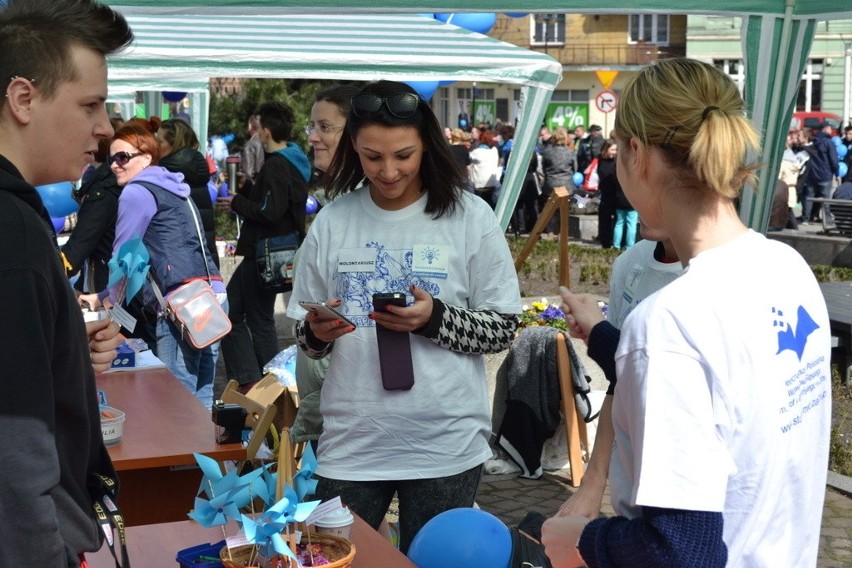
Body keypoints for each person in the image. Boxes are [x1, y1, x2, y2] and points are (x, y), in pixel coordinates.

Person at [541, 58, 832, 567]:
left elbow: (679, 551)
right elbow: (728, 386)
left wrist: (579, 541)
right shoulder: (787, 267)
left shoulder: (670, 321)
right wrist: (607, 337)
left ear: (638, 155)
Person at [286, 80, 521, 554]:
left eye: (404, 156)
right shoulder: (334, 221)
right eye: (373, 157)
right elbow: (304, 331)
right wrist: (317, 332)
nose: (388, 171)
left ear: (427, 149)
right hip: (352, 443)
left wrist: (433, 318)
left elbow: (502, 328)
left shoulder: (469, 217)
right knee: (333, 561)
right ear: (354, 148)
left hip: (445, 442)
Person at [0, 1, 131, 565]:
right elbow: (15, 443)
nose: (104, 128)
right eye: (90, 105)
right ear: (24, 98)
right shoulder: (14, 234)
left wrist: (61, 349)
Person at [81, 122, 226, 409]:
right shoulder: (175, 186)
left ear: (146, 157)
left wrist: (110, 304)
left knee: (176, 400)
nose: (114, 165)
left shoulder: (136, 192)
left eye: (123, 157)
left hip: (180, 306)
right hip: (214, 296)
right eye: (111, 159)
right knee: (204, 396)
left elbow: (126, 258)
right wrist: (102, 297)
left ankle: (183, 455)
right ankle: (206, 454)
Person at [556, 228, 682, 521]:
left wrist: (601, 336)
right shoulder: (631, 262)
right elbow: (621, 381)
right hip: (634, 500)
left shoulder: (735, 279)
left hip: (684, 509)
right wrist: (594, 481)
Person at [218, 101, 311, 388]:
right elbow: (275, 202)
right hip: (269, 252)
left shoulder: (276, 165)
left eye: (259, 129)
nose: (256, 135)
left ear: (266, 132)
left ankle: (273, 384)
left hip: (264, 253)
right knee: (231, 314)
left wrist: (236, 202)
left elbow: (271, 211)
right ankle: (252, 379)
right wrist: (249, 189)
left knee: (255, 319)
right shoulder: (294, 162)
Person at [290, 82, 361, 446]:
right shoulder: (336, 208)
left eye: (325, 127)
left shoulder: (364, 211)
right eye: (312, 127)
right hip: (327, 395)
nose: (314, 137)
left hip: (347, 408)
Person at [61, 118, 124, 294]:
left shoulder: (102, 192)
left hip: (106, 288)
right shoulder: (106, 185)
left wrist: (49, 276)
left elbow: (80, 245)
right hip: (109, 283)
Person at [157, 117, 219, 268]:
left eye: (159, 142)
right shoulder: (193, 169)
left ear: (173, 145)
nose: (154, 146)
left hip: (181, 265)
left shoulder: (168, 175)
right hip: (205, 259)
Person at [539, 128, 577, 235]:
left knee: (550, 209)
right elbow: (575, 168)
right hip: (566, 185)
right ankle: (562, 233)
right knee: (564, 210)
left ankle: (550, 232)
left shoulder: (547, 152)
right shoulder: (570, 153)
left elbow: (543, 168)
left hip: (550, 184)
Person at [802, 121, 839, 224]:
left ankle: (806, 218)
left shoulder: (813, 140)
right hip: (825, 175)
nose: (831, 130)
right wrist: (837, 173)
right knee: (826, 199)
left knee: (809, 198)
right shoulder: (829, 142)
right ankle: (827, 220)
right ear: (826, 128)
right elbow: (834, 160)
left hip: (812, 175)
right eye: (830, 128)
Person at [469, 130, 501, 208]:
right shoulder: (494, 151)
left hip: (479, 186)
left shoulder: (476, 152)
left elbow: (470, 158)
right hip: (492, 185)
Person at [596, 138, 617, 248]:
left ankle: (612, 240)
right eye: (612, 149)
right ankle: (604, 240)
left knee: (615, 219)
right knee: (604, 218)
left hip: (615, 194)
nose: (615, 152)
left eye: (616, 150)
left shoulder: (616, 161)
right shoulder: (601, 160)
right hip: (605, 193)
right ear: (606, 149)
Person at [241, 112, 265, 185]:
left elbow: (248, 172)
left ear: (249, 126)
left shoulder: (249, 145)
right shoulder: (268, 143)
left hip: (254, 188)